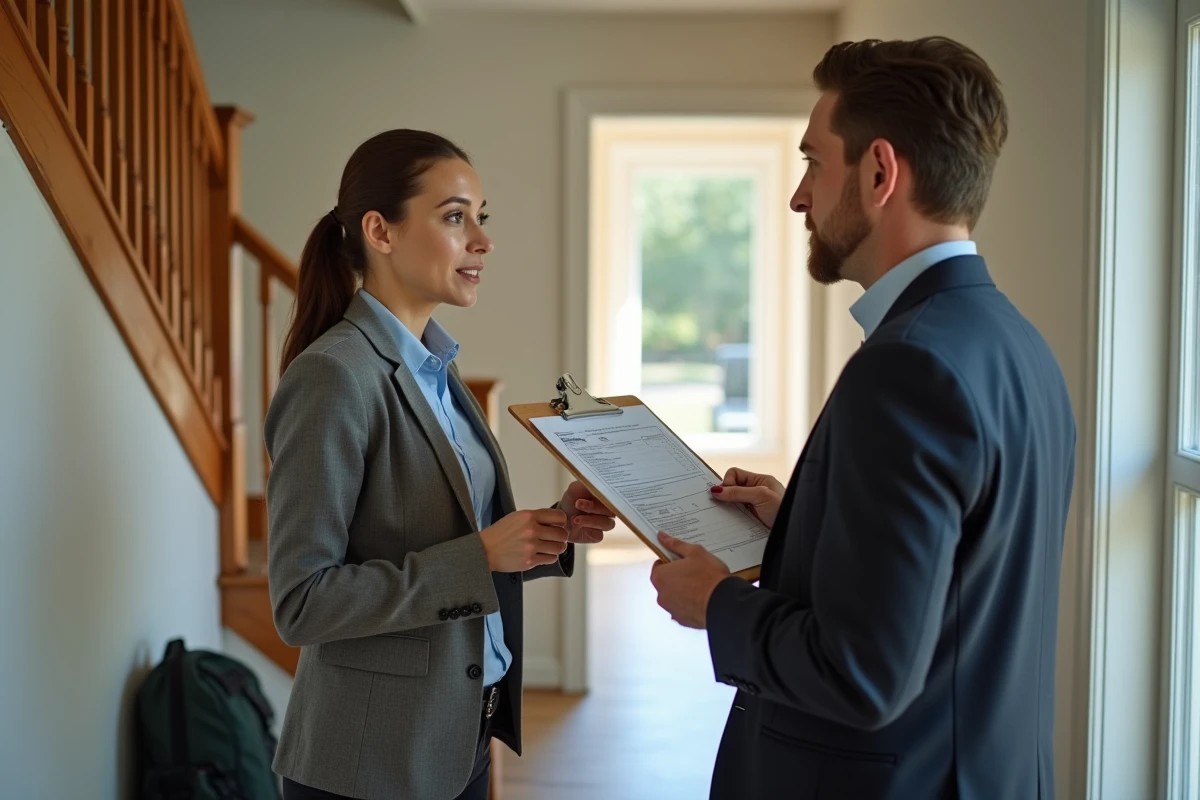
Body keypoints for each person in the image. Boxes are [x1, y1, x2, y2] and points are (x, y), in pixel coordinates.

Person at [650, 36, 1076, 800]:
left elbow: (864, 673)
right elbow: (961, 577)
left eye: (813, 161)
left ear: (880, 172)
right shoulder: (1016, 343)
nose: (798, 196)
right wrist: (805, 517)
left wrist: (714, 604)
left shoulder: (906, 365)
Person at [264, 130, 615, 800]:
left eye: (481, 218)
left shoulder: (435, 369)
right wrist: (480, 557)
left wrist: (553, 529)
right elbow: (301, 603)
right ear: (381, 231)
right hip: (371, 767)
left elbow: (453, 536)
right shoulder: (334, 378)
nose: (481, 241)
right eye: (455, 217)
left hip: (459, 740)